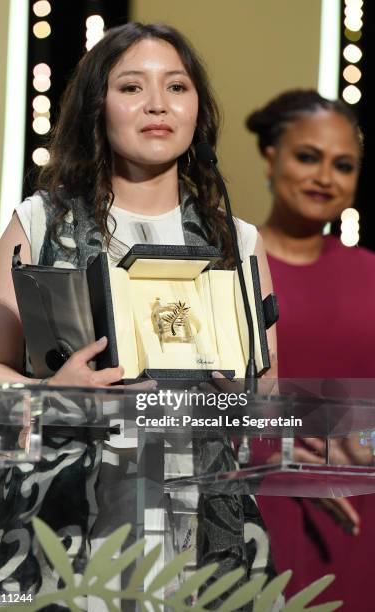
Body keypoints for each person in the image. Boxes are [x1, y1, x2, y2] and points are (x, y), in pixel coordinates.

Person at [0, 23, 277, 607]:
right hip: (61, 528)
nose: (158, 104)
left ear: (197, 111)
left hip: (198, 526)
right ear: (96, 109)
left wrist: (239, 391)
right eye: (132, 87)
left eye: (177, 88)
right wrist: (55, 393)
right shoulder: (41, 223)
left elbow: (268, 398)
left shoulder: (236, 240)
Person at [246, 89, 375, 611]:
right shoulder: (228, 267)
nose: (325, 176)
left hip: (358, 516)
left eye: (343, 165)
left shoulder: (370, 274)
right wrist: (271, 455)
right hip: (253, 510)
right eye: (308, 156)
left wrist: (368, 443)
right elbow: (187, 401)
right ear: (272, 158)